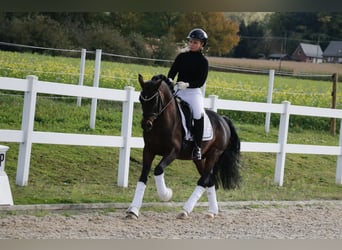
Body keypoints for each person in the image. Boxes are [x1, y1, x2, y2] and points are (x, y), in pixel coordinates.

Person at [167, 28, 209, 160]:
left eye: (195, 42)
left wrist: (188, 84)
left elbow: (201, 81)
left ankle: (197, 147)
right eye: (190, 41)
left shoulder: (203, 62)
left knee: (198, 113)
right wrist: (169, 80)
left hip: (193, 92)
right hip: (178, 90)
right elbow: (172, 71)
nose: (191, 44)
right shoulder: (181, 57)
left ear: (202, 44)